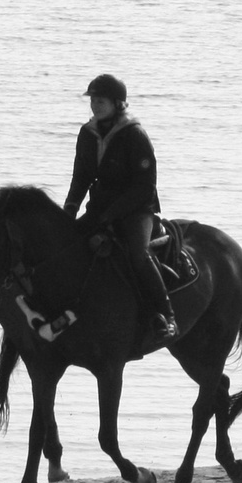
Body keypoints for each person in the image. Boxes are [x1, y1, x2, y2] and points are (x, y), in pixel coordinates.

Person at [63, 74, 176, 343]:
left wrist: (110, 215)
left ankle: (166, 315)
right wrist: (68, 210)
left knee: (137, 254)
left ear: (117, 103)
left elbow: (144, 187)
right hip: (100, 209)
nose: (95, 105)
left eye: (100, 100)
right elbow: (81, 177)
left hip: (137, 210)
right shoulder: (87, 134)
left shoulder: (134, 135)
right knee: (66, 247)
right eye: (92, 100)